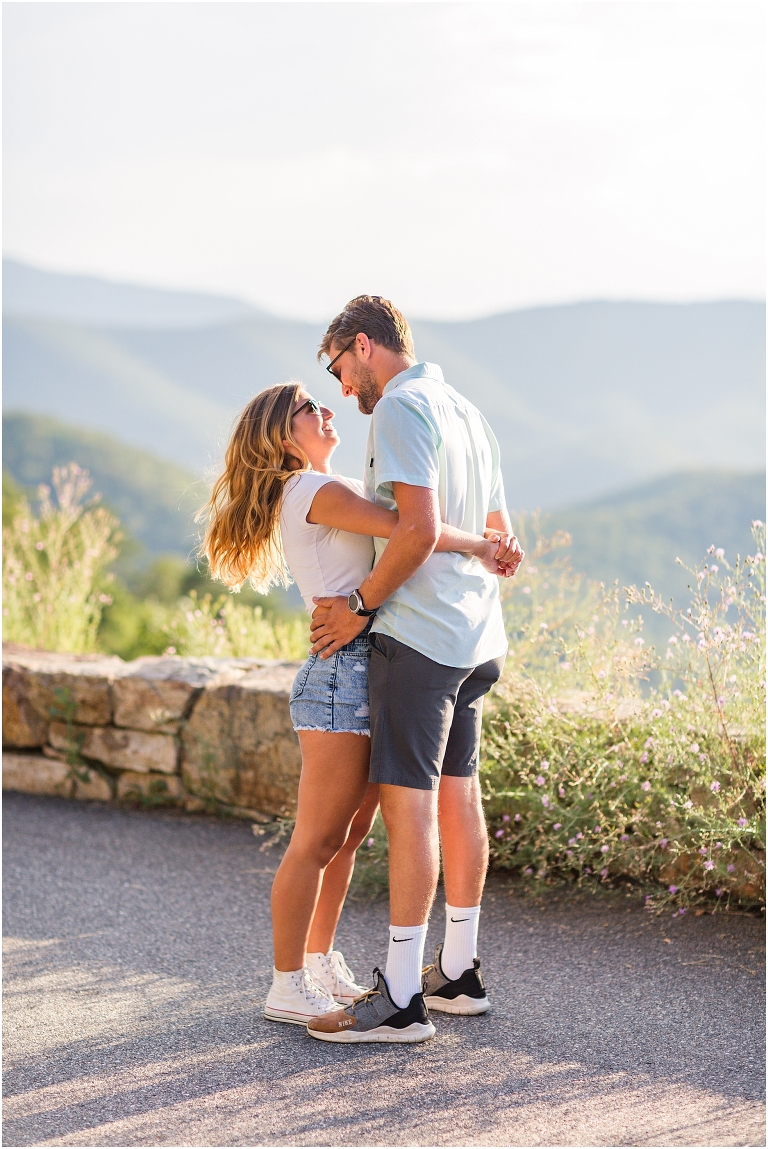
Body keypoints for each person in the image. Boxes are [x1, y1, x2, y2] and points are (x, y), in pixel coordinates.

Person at [199, 381, 517, 1029]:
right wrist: (483, 545)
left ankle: (317, 963)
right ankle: (286, 982)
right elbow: (410, 529)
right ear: (282, 435)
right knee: (317, 839)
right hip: (340, 676)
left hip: (369, 668)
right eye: (309, 408)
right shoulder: (310, 490)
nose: (326, 410)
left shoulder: (329, 486)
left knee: (346, 839)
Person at [304, 295, 523, 1045]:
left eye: (339, 368)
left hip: (421, 637)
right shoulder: (467, 411)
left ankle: (400, 996)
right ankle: (457, 972)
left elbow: (419, 529)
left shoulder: (400, 407)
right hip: (477, 636)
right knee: (460, 796)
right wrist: (491, 554)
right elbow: (500, 538)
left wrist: (359, 605)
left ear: (364, 346)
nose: (342, 388)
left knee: (411, 809)